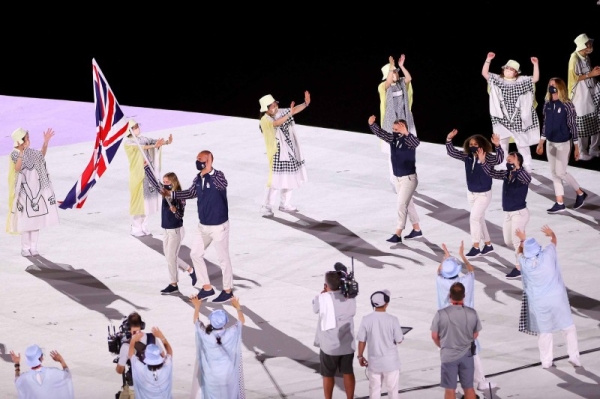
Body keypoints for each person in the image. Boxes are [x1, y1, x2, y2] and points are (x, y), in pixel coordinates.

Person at [162, 150, 234, 303]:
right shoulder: (198, 178)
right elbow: (190, 193)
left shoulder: (218, 176)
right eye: (196, 159)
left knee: (223, 258)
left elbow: (223, 184)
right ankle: (207, 288)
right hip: (203, 226)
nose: (197, 161)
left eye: (200, 159)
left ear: (208, 161)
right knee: (195, 254)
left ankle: (228, 290)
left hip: (219, 226)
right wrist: (172, 195)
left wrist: (209, 171)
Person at [515, 225, 582, 368]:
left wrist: (522, 240)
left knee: (544, 332)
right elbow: (553, 241)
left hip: (539, 302)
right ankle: (574, 356)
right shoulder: (548, 254)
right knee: (568, 328)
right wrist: (551, 233)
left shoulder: (524, 262)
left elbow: (519, 252)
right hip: (557, 298)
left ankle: (546, 361)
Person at [436, 242, 496, 392]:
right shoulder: (464, 282)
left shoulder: (441, 281)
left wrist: (445, 258)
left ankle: (452, 386)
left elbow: (438, 272)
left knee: (448, 356)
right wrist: (463, 256)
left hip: (446, 326)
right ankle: (480, 382)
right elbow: (471, 271)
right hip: (465, 324)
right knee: (473, 354)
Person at [378, 55, 423, 240]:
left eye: (396, 72)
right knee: (402, 191)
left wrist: (402, 66)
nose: (395, 74)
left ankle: (402, 230)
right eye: (393, 72)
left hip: (406, 129)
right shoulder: (383, 87)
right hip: (391, 132)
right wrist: (391, 66)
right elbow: (388, 81)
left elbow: (409, 78)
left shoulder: (403, 83)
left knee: (402, 191)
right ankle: (416, 227)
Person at [446, 130, 504, 256]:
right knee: (479, 219)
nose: (473, 146)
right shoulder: (467, 156)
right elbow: (452, 152)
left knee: (474, 218)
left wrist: (498, 146)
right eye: (471, 144)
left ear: (481, 145)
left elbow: (499, 160)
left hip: (483, 194)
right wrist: (449, 139)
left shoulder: (488, 157)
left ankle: (476, 246)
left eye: (475, 144)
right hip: (471, 193)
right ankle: (488, 244)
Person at [536, 77, 588, 213]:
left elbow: (573, 126)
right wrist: (541, 142)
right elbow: (545, 124)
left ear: (560, 87)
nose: (551, 86)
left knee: (561, 172)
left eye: (553, 84)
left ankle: (580, 193)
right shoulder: (547, 103)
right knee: (554, 173)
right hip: (550, 142)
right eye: (549, 84)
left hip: (563, 142)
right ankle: (560, 202)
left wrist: (577, 146)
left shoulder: (567, 104)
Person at [482, 52, 540, 172]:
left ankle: (527, 163)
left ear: (516, 72)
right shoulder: (498, 79)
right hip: (502, 117)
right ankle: (503, 162)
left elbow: (535, 79)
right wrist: (488, 59)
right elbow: (485, 73)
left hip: (518, 118)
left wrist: (535, 65)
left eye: (511, 69)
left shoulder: (522, 81)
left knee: (522, 142)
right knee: (502, 141)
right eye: (507, 68)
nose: (508, 71)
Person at [144, 164, 197, 295]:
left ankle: (174, 284)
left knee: (171, 257)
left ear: (173, 182)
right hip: (166, 229)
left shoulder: (179, 196)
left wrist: (175, 211)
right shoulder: (164, 192)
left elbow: (180, 215)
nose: (165, 184)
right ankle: (190, 270)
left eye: (167, 182)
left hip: (176, 230)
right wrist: (146, 168)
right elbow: (155, 183)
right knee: (169, 257)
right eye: (164, 181)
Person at [6, 127, 59, 257]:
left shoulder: (31, 152)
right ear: (20, 140)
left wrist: (45, 142)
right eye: (27, 138)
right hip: (23, 193)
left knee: (36, 222)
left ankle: (33, 247)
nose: (29, 140)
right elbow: (18, 168)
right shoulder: (15, 153)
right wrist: (21, 152)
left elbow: (41, 155)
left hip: (36, 190)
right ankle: (25, 248)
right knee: (26, 222)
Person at [479, 150, 531, 279]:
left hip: (519, 212)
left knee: (516, 241)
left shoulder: (522, 174)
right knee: (508, 241)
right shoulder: (506, 174)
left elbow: (527, 178)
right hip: (509, 213)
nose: (507, 163)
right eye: (507, 161)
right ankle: (528, 253)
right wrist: (483, 161)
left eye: (510, 160)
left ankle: (520, 267)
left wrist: (517, 168)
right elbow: (491, 172)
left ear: (517, 161)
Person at [368, 115, 420, 243]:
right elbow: (381, 133)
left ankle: (398, 233)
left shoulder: (409, 140)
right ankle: (417, 229)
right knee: (409, 204)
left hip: (409, 179)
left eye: (397, 130)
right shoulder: (392, 139)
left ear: (404, 129)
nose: (394, 132)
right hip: (398, 179)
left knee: (401, 205)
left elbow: (416, 143)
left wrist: (406, 133)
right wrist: (372, 124)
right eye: (393, 129)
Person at [258, 91, 310, 217]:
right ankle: (266, 206)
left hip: (289, 150)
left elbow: (294, 110)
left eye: (275, 104)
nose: (275, 107)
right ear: (266, 109)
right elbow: (276, 123)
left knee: (290, 177)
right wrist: (290, 114)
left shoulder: (280, 112)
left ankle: (285, 204)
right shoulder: (264, 120)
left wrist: (305, 103)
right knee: (275, 181)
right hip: (277, 154)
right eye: (272, 106)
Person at [431, 282, 482, 399]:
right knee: (469, 388)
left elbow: (434, 336)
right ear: (464, 296)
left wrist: (442, 345)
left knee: (450, 390)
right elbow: (476, 333)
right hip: (467, 355)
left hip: (448, 355)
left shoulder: (441, 314)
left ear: (450, 296)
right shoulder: (472, 313)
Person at [190, 294, 246, 398]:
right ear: (225, 322)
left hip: (212, 375)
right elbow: (241, 321)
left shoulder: (205, 334)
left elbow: (196, 321)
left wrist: (197, 306)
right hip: (228, 373)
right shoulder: (231, 333)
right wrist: (237, 307)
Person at [124, 119, 172, 237]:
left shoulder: (142, 138)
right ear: (129, 130)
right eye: (134, 127)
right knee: (139, 203)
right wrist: (153, 145)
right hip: (139, 176)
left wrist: (166, 142)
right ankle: (136, 227)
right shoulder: (129, 143)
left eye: (137, 126)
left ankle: (144, 226)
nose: (137, 128)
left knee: (147, 203)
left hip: (149, 175)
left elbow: (154, 142)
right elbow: (142, 147)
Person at [312, 270, 357, 399]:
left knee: (328, 374)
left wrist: (322, 294)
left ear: (326, 285)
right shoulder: (350, 297)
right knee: (348, 372)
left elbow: (315, 309)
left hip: (329, 346)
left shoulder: (323, 298)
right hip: (347, 344)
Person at [356, 289, 404, 399]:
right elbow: (399, 340)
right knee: (393, 392)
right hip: (391, 363)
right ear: (386, 303)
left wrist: (360, 356)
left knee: (374, 391)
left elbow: (362, 340)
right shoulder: (393, 320)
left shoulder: (366, 319)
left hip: (374, 364)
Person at [568, 33, 600, 160]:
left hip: (590, 92)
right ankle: (581, 152)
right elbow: (573, 78)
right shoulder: (574, 58)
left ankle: (594, 148)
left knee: (596, 120)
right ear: (582, 45)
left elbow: (587, 72)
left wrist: (593, 71)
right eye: (588, 44)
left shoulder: (586, 57)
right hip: (581, 96)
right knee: (583, 123)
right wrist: (591, 74)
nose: (590, 46)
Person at [128, 327, 173, 398]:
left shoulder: (141, 370)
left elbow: (131, 355)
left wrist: (133, 340)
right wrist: (161, 337)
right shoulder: (167, 368)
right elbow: (169, 352)